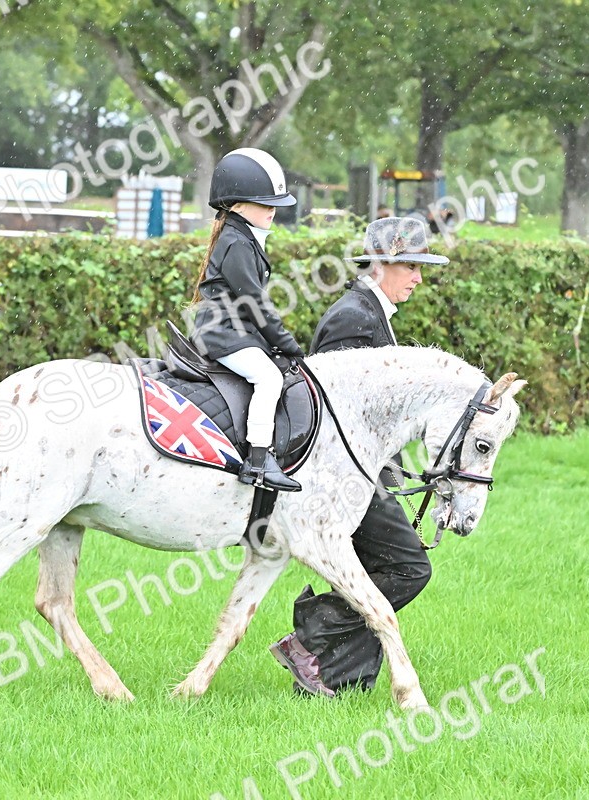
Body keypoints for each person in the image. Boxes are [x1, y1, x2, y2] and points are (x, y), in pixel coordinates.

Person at [268, 216, 451, 696]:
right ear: (382, 263)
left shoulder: (369, 314)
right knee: (409, 568)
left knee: (384, 569)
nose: (417, 278)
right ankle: (310, 639)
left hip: (363, 475)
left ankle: (333, 676)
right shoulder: (353, 318)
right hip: (342, 479)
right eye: (410, 266)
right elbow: (337, 411)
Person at [190, 148, 305, 492]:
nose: (273, 211)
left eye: (275, 205)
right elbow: (255, 303)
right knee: (268, 377)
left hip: (235, 331)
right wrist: (286, 342)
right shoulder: (237, 243)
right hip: (223, 334)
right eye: (265, 203)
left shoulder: (241, 238)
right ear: (238, 204)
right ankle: (258, 460)